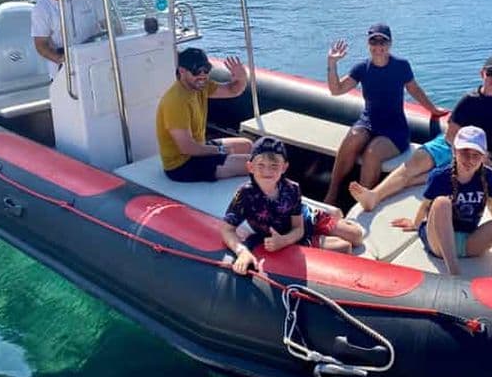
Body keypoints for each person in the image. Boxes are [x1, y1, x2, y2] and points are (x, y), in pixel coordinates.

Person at [349, 55, 492, 211]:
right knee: (410, 168)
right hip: (451, 145)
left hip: (477, 151)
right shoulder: (470, 100)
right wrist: (465, 154)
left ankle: (380, 194)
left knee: (421, 177)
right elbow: (451, 134)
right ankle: (373, 196)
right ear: (482, 73)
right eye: (491, 73)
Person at [324, 23, 447, 205]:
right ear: (368, 44)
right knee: (353, 138)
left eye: (383, 42)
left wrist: (433, 110)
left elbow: (415, 90)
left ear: (390, 44)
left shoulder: (401, 66)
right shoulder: (362, 68)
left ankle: (362, 203)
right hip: (368, 123)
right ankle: (332, 195)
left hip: (394, 130)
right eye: (374, 42)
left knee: (372, 152)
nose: (378, 47)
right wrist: (332, 64)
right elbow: (336, 90)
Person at [221, 137, 365, 275]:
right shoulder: (245, 194)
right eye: (261, 165)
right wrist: (242, 251)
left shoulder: (292, 189)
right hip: (290, 237)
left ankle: (334, 219)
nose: (267, 171)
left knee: (357, 236)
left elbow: (298, 228)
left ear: (284, 167)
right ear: (250, 167)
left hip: (305, 222)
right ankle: (327, 231)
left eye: (274, 166)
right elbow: (227, 230)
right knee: (344, 247)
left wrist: (283, 241)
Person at [391, 126, 492, 277]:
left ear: (484, 156)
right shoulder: (440, 176)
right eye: (464, 153)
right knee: (442, 202)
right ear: (454, 151)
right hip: (439, 243)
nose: (470, 160)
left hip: (468, 240)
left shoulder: (489, 177)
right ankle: (454, 273)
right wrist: (415, 224)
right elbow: (425, 205)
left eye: (476, 155)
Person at [156, 47, 253, 182]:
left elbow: (232, 91)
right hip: (182, 165)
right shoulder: (176, 102)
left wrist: (242, 78)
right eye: (196, 71)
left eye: (206, 70)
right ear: (182, 71)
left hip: (198, 147)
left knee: (247, 145)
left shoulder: (201, 86)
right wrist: (221, 150)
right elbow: (186, 148)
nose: (202, 75)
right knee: (255, 164)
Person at [30, 0, 107, 79]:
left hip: (96, 60)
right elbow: (41, 45)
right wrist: (61, 59)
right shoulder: (42, 9)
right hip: (65, 70)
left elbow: (110, 26)